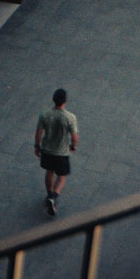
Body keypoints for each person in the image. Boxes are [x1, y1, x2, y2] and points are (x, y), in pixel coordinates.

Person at [34, 88, 78, 216]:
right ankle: (54, 196)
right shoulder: (70, 117)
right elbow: (74, 137)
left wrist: (37, 146)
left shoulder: (44, 114)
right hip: (61, 152)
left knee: (49, 172)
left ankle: (49, 193)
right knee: (62, 176)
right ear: (65, 101)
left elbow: (38, 132)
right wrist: (73, 146)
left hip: (47, 150)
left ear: (53, 99)